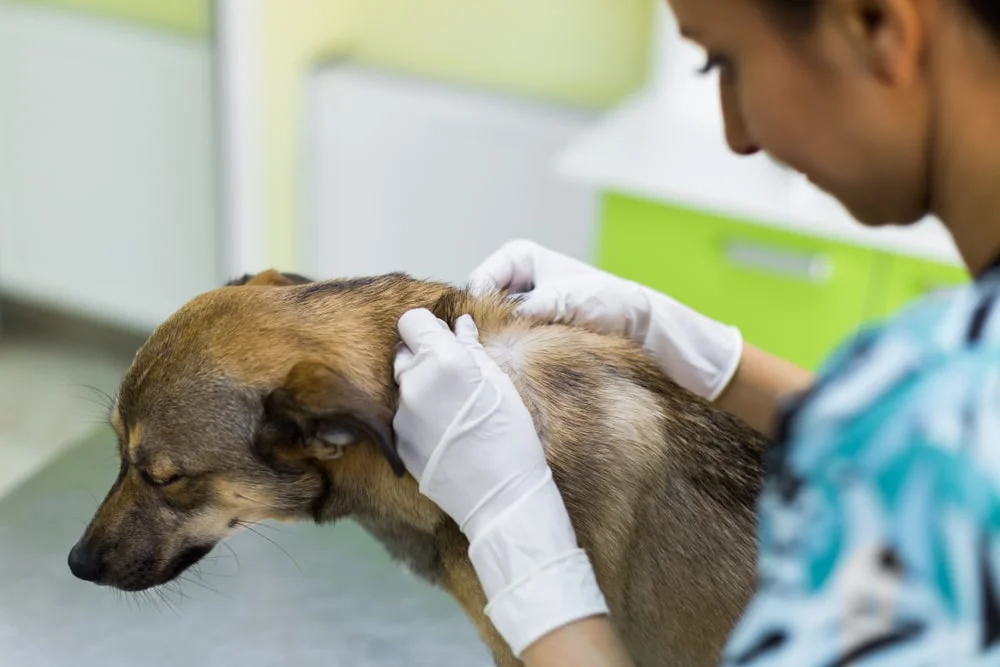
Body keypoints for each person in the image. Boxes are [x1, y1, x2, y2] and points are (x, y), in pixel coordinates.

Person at [392, 0, 1000, 664]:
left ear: (875, 26)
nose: (739, 134)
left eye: (726, 61)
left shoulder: (943, 428)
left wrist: (521, 546)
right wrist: (709, 357)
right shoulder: (946, 403)